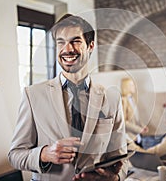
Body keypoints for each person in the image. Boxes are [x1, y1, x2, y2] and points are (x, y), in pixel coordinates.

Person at [8, 14, 128, 181]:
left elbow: (121, 157)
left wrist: (114, 178)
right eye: (61, 42)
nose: (67, 49)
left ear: (90, 46)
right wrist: (44, 154)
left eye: (75, 41)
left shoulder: (112, 99)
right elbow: (15, 155)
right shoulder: (32, 95)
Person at [120, 77, 148, 149]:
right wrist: (139, 129)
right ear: (126, 87)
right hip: (130, 138)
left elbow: (136, 118)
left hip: (137, 136)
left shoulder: (132, 99)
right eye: (132, 85)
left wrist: (142, 126)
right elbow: (124, 122)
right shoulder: (123, 100)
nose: (134, 87)